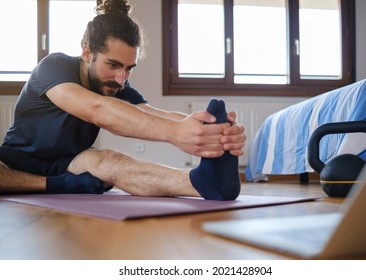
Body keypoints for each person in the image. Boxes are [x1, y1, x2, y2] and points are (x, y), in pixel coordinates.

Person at [0, 0, 246, 201]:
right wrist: (176, 133)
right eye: (114, 65)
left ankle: (202, 183)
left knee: (109, 161)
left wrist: (211, 130)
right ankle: (53, 185)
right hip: (15, 161)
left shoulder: (116, 85)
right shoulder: (54, 67)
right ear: (87, 53)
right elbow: (97, 109)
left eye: (129, 68)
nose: (121, 78)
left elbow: (153, 114)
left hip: (67, 163)